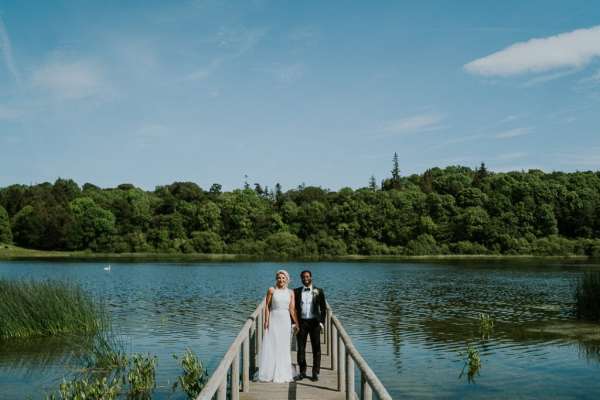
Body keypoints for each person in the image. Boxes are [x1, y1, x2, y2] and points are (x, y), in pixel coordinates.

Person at [258, 269, 300, 383]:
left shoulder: (290, 292)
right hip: (274, 318)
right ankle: (271, 371)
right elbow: (267, 306)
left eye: (283, 278)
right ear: (276, 279)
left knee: (284, 346)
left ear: (287, 279)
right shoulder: (271, 290)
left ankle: (283, 371)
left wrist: (296, 322)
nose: (281, 280)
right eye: (279, 278)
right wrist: (266, 321)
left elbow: (292, 308)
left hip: (285, 320)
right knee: (273, 344)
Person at [294, 270, 327, 382]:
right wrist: (294, 323)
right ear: (301, 278)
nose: (305, 278)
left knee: (316, 348)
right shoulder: (296, 291)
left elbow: (323, 309)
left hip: (314, 323)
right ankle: (302, 372)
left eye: (307, 276)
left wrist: (322, 322)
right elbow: (292, 309)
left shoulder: (319, 291)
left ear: (311, 277)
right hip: (301, 323)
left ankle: (315, 372)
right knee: (301, 348)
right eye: (303, 277)